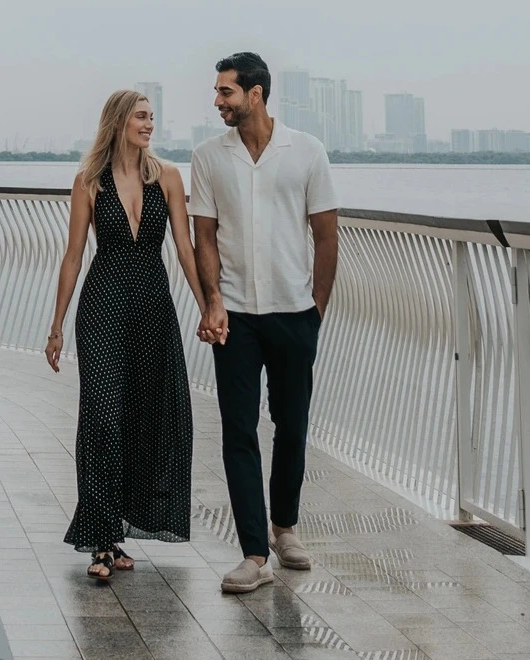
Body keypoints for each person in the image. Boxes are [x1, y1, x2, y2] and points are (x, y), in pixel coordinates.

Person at [46, 88, 210, 580]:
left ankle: (117, 531)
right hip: (103, 307)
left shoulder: (169, 178)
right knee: (102, 417)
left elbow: (184, 249)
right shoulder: (88, 181)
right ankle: (100, 538)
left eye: (152, 117)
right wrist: (56, 326)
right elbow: (73, 256)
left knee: (146, 417)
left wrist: (208, 307)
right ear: (118, 122)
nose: (149, 124)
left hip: (153, 310)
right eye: (141, 116)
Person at [191, 51, 338, 594]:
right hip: (234, 316)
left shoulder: (307, 151)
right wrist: (213, 300)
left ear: (255, 94)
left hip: (294, 313)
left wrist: (316, 309)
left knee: (292, 425)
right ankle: (254, 553)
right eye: (217, 91)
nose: (217, 100)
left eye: (226, 91)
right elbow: (204, 236)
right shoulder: (208, 156)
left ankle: (285, 527)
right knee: (238, 430)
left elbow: (326, 234)